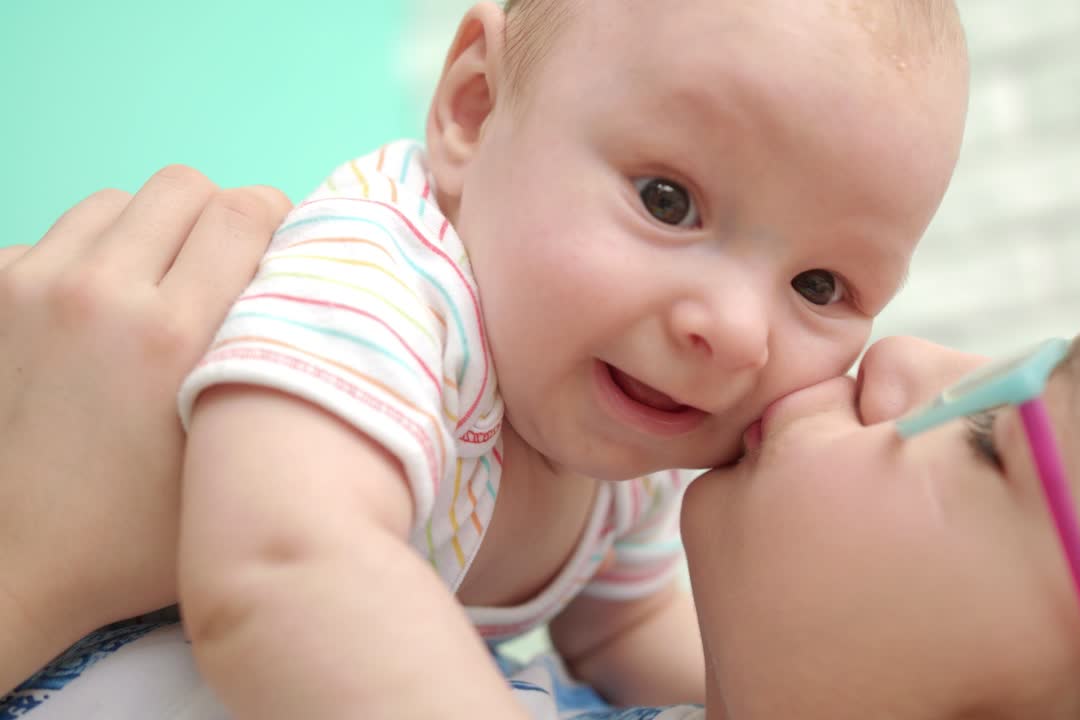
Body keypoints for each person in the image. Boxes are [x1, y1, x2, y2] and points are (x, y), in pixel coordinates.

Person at [4, 171, 1080, 719]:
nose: (899, 361)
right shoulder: (403, 289)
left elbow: (286, 566)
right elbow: (622, 631)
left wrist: (34, 548)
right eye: (664, 201)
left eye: (996, 433)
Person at [166, 0, 969, 716]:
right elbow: (286, 566)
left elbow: (624, 627)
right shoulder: (385, 283)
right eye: (668, 201)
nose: (735, 331)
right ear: (474, 110)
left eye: (819, 285)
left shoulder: (633, 420)